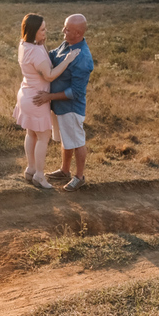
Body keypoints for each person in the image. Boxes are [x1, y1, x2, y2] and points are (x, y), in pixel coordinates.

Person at [14, 13, 80, 189]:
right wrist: (67, 60)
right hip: (38, 98)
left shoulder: (25, 45)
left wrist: (41, 45)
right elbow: (49, 76)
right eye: (42, 29)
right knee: (43, 137)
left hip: (26, 95)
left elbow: (37, 62)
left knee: (31, 134)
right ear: (34, 31)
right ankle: (40, 176)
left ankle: (30, 169)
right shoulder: (36, 52)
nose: (46, 32)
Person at [33, 14, 94, 192]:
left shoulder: (82, 58)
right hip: (59, 107)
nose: (63, 31)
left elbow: (75, 92)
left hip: (71, 109)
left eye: (67, 29)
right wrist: (38, 47)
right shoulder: (67, 44)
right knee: (66, 140)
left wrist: (49, 97)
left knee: (77, 141)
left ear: (78, 32)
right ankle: (64, 170)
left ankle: (79, 177)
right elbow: (52, 56)